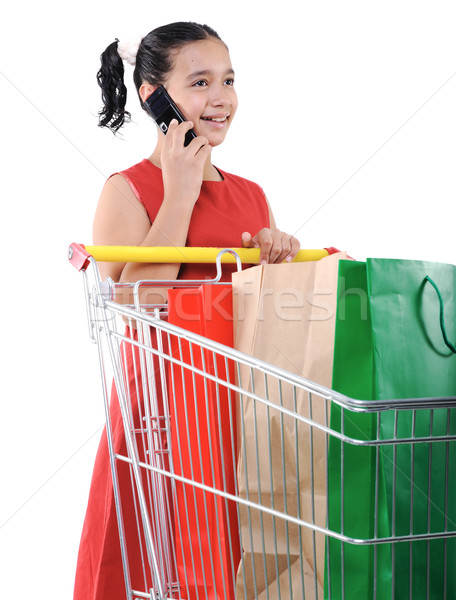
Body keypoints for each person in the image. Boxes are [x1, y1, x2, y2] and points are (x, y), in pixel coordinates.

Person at [74, 21, 300, 600]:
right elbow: (138, 303)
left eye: (227, 80)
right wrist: (179, 194)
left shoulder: (251, 194)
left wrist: (279, 257)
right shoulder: (127, 190)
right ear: (155, 96)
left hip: (240, 412)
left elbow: (267, 312)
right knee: (164, 569)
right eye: (199, 82)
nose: (220, 98)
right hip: (163, 421)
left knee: (240, 565)